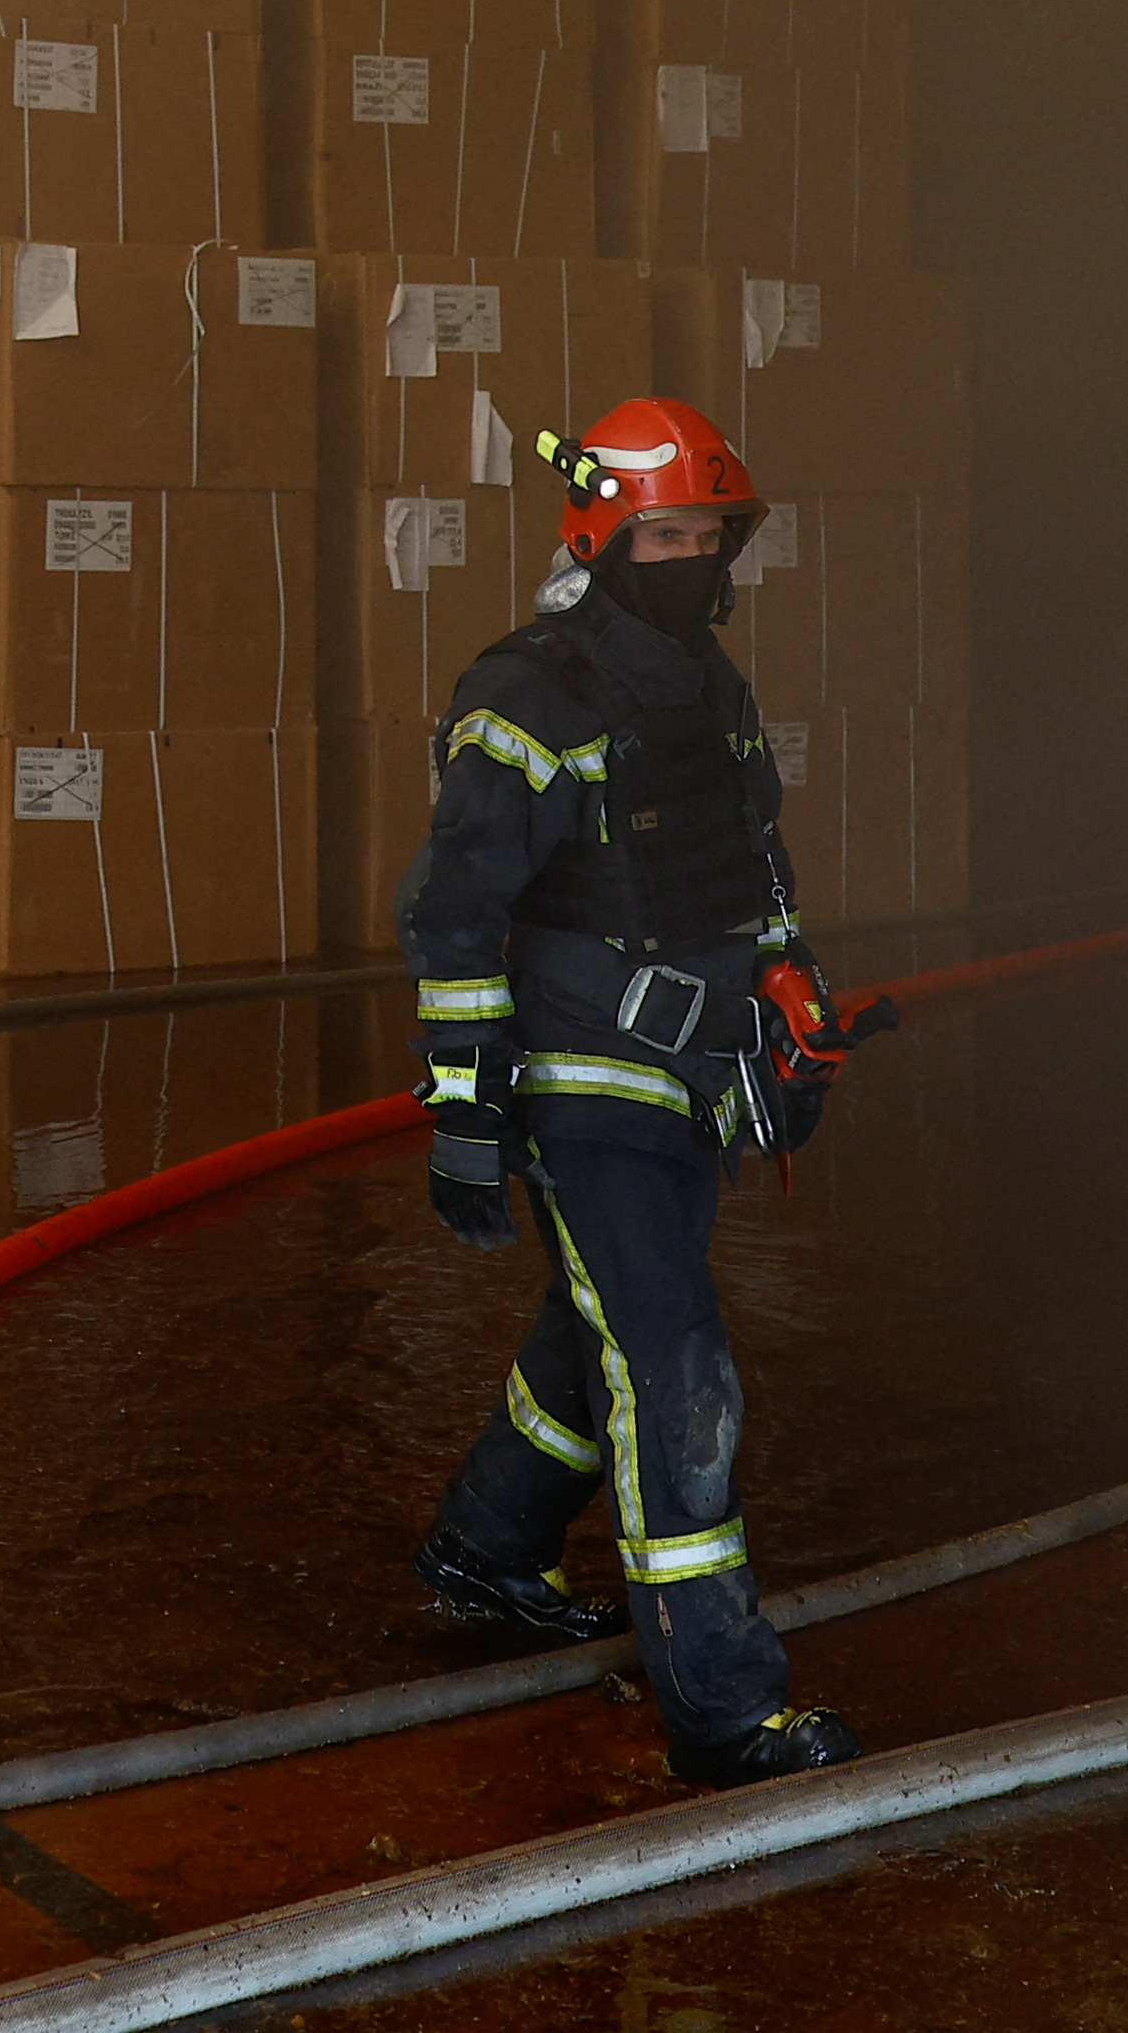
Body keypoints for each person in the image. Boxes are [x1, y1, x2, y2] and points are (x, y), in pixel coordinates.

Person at [392, 393, 865, 1786]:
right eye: (667, 534)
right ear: (601, 534)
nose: (695, 562)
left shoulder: (711, 693)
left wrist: (794, 1000)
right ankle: (722, 1711)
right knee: (677, 1369)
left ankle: (485, 1546)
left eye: (713, 536)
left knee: (595, 1320)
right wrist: (467, 1115)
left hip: (692, 1076)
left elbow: (755, 870)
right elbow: (453, 920)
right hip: (584, 1081)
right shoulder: (524, 697)